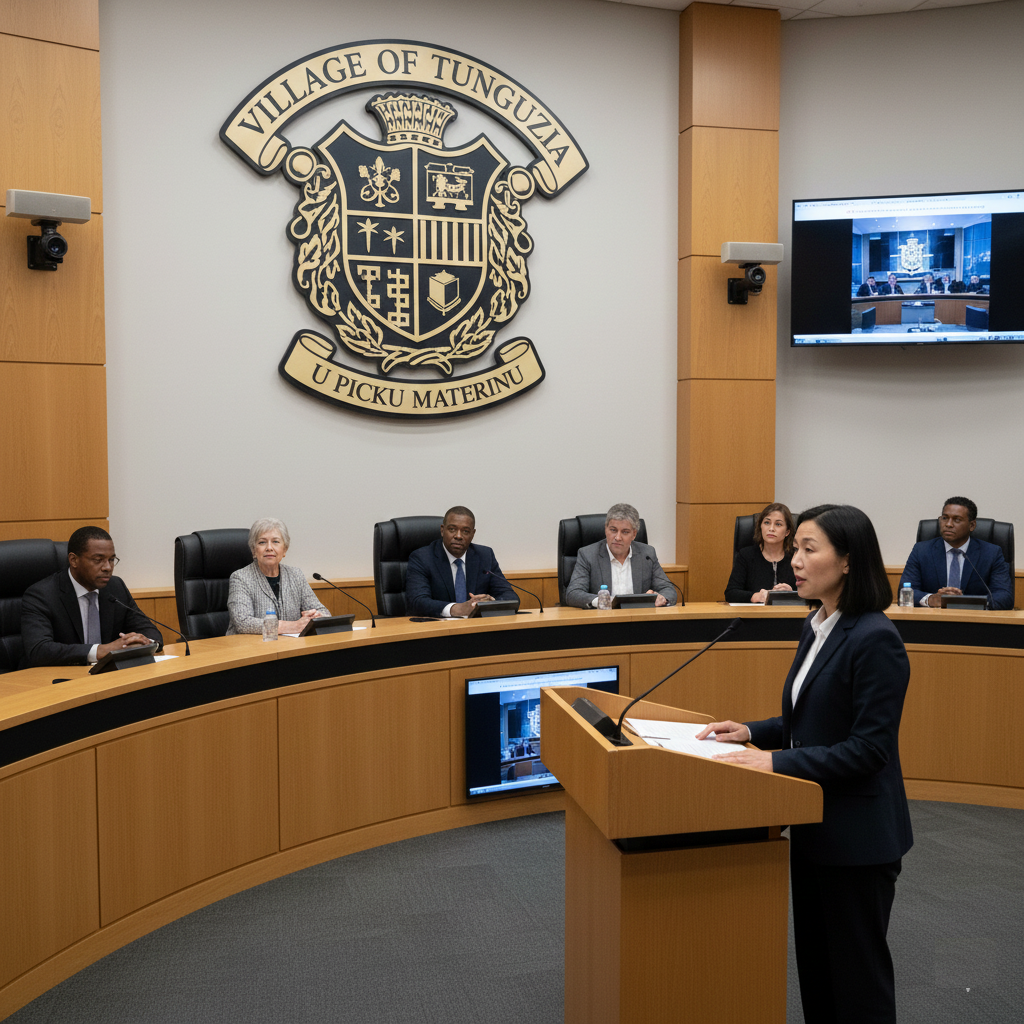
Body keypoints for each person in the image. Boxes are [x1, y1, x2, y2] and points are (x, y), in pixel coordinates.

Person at [697, 504, 912, 1024]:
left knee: (858, 984)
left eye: (809, 549)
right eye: (796, 548)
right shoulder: (817, 623)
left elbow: (867, 750)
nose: (795, 559)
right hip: (815, 823)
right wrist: (752, 732)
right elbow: (808, 719)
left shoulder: (874, 637)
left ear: (847, 563)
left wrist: (775, 762)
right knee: (818, 973)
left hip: (858, 837)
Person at [20, 525, 162, 667]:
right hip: (60, 679)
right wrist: (103, 650)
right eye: (98, 560)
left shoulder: (115, 587)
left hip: (108, 677)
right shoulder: (42, 595)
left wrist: (143, 643)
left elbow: (150, 632)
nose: (107, 567)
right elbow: (39, 651)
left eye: (111, 559)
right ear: (73, 560)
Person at [899, 496, 1013, 609]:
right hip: (933, 622)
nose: (948, 524)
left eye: (957, 519)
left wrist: (963, 601)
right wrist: (931, 599)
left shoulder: (991, 553)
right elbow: (905, 592)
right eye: (944, 518)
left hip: (974, 622)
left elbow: (1004, 597)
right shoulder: (921, 550)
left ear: (972, 525)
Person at [405, 506, 518, 617]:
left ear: (472, 534)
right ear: (442, 530)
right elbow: (417, 602)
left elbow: (510, 597)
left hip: (476, 629)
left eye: (465, 531)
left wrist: (490, 603)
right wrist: (456, 609)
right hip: (438, 629)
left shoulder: (484, 556)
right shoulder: (422, 558)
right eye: (452, 529)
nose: (458, 536)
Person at [226, 517, 329, 634]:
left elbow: (324, 612)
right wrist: (293, 626)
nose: (269, 548)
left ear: (284, 549)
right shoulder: (241, 578)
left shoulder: (296, 575)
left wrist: (316, 617)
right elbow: (242, 623)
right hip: (250, 648)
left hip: (288, 648)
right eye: (262, 542)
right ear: (254, 550)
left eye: (275, 542)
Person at [564, 503, 676, 608]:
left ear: (634, 534)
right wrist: (604, 601)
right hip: (602, 622)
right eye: (613, 530)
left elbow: (668, 589)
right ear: (605, 529)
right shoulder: (588, 555)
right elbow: (573, 594)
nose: (618, 537)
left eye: (625, 532)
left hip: (639, 621)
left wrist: (662, 598)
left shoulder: (647, 554)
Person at [724, 502, 797, 603]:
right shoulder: (746, 555)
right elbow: (731, 593)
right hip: (755, 616)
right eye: (767, 523)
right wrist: (755, 596)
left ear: (787, 532)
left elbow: (813, 595)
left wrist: (792, 594)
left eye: (778, 524)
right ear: (760, 526)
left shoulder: (796, 557)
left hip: (789, 617)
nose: (771, 529)